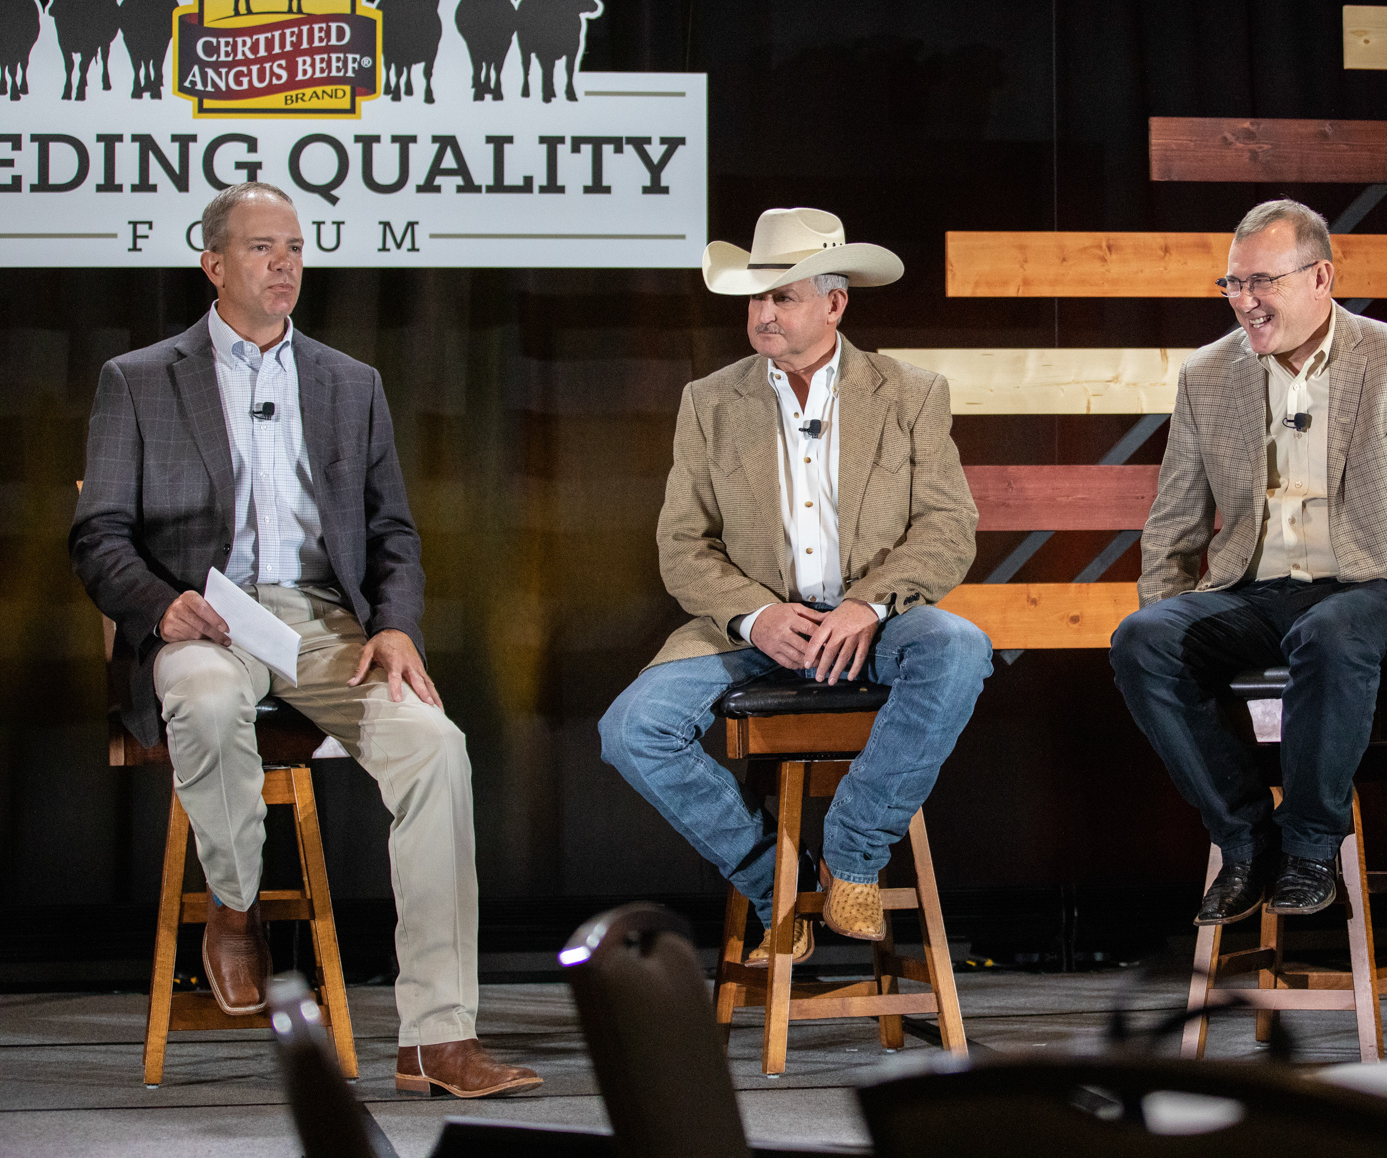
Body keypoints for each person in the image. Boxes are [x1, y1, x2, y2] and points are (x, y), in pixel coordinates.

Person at [70, 182, 540, 1099]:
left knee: (437, 749)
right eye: (260, 248)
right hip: (202, 611)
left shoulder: (348, 383)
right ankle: (236, 909)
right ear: (212, 264)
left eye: (294, 246)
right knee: (205, 696)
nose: (284, 263)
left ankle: (436, 1041)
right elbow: (98, 536)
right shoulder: (138, 379)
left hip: (322, 620)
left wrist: (397, 626)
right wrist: (161, 606)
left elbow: (393, 533)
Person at [599, 207, 989, 963]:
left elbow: (948, 529)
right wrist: (753, 616)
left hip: (874, 622)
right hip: (751, 631)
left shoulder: (911, 393)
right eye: (756, 297)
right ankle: (775, 881)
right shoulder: (710, 402)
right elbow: (682, 546)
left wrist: (867, 604)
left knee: (959, 647)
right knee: (630, 729)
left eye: (783, 296)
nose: (763, 312)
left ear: (835, 302)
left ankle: (852, 851)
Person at [1109, 199, 1387, 924]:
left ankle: (1312, 846)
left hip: (1367, 584)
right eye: (1232, 284)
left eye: (1262, 282)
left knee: (1332, 632)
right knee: (1142, 639)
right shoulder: (1206, 374)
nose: (1245, 301)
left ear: (1321, 277)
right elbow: (1174, 524)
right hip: (1252, 590)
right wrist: (1159, 606)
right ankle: (1246, 841)